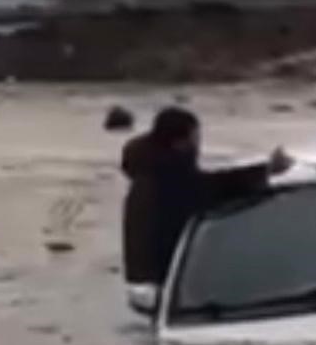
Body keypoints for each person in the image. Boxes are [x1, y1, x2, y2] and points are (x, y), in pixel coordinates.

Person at [121, 107, 292, 314]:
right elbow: (214, 189)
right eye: (195, 138)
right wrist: (266, 171)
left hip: (151, 284)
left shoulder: (150, 170)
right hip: (163, 288)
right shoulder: (167, 179)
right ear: (179, 143)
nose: (198, 145)